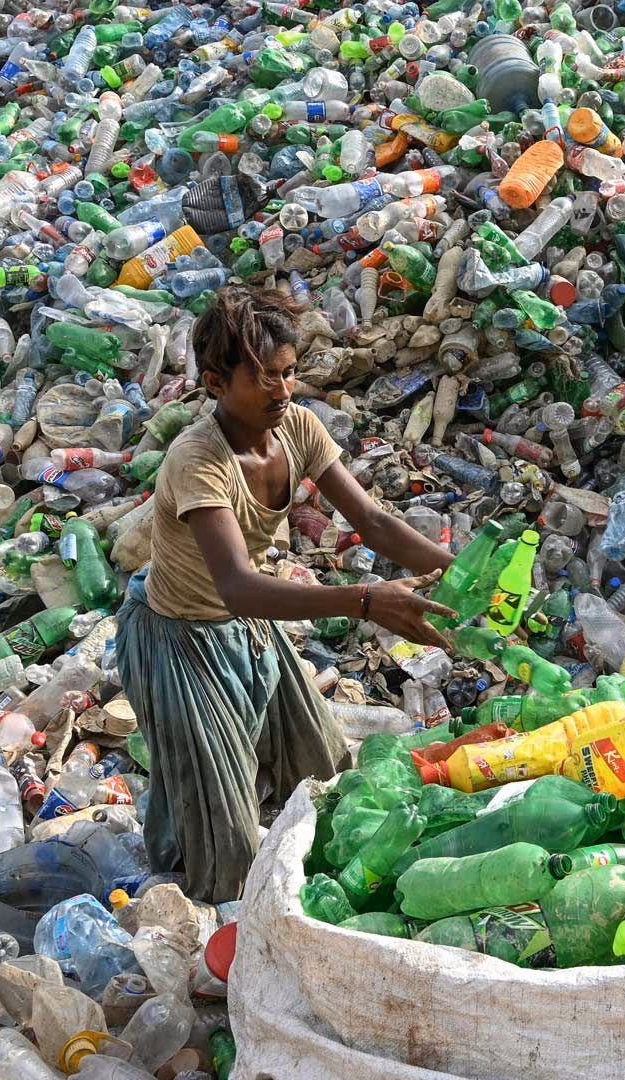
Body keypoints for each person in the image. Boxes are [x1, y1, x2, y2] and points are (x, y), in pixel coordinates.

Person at [117, 283, 457, 902]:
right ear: (217, 383)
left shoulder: (298, 428)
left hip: (245, 625)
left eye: (290, 373)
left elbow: (375, 524)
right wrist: (365, 600)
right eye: (265, 378)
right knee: (231, 855)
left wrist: (461, 581)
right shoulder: (198, 460)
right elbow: (240, 586)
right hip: (181, 638)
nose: (284, 390)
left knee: (325, 776)